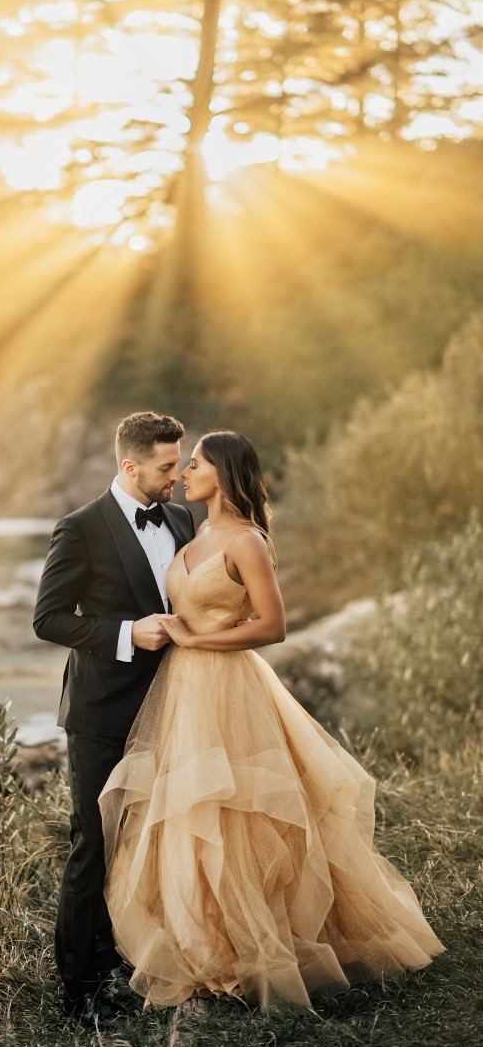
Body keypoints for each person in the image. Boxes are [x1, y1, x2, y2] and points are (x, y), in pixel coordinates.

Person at [99, 431, 444, 1011]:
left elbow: (272, 626)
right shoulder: (196, 532)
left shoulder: (247, 541)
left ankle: (257, 947)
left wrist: (196, 638)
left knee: (240, 815)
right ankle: (208, 946)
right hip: (183, 689)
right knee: (191, 812)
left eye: (195, 464)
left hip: (229, 687)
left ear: (223, 472)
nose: (184, 473)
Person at [33, 411, 195, 1026]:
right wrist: (129, 633)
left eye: (178, 464)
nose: (177, 477)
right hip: (101, 714)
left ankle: (136, 962)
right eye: (166, 466)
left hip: (172, 708)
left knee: (152, 842)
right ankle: (80, 991)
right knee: (95, 847)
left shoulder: (180, 520)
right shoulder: (80, 528)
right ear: (130, 465)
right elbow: (49, 619)